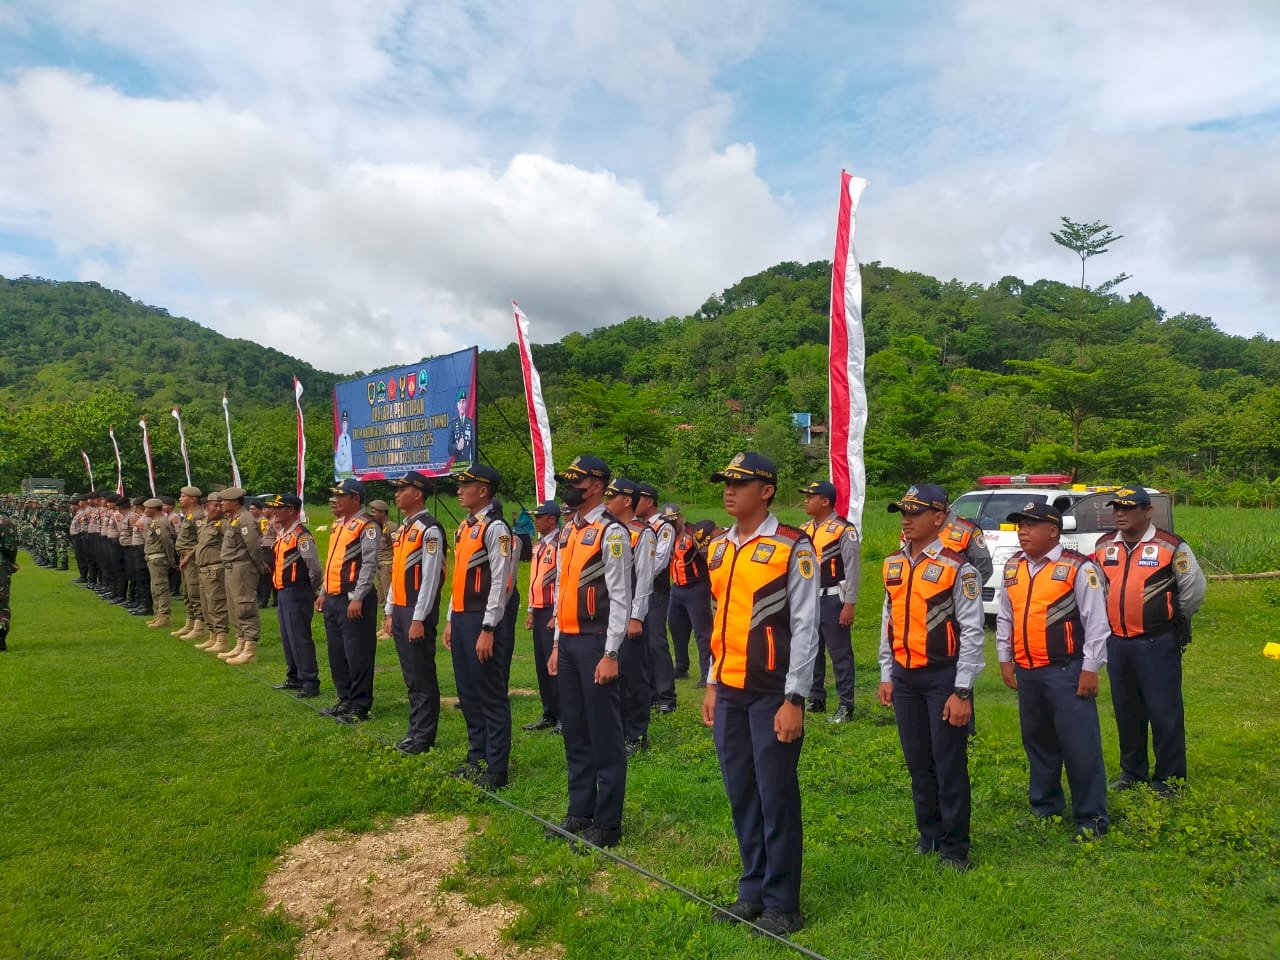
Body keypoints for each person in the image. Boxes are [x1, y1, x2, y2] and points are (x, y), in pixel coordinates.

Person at [701, 452, 818, 937]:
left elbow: (807, 627)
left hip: (772, 693)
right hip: (729, 689)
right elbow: (718, 621)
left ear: (766, 490)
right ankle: (752, 890)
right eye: (726, 483)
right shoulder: (719, 547)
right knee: (742, 792)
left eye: (740, 483)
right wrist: (711, 682)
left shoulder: (794, 546)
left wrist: (795, 698)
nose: (729, 490)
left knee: (776, 797)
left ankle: (783, 902)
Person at [878, 483, 985, 871]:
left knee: (949, 762)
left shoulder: (959, 567)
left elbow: (973, 631)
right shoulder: (893, 563)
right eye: (902, 512)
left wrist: (963, 689)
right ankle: (930, 835)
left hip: (944, 677)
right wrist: (887, 672)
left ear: (939, 518)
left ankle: (956, 847)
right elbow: (888, 620)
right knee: (918, 762)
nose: (906, 519)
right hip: (906, 679)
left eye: (915, 512)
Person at [997, 501, 1109, 838]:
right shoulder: (1014, 567)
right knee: (1038, 742)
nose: (1023, 531)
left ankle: (1091, 818)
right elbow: (1006, 615)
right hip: (1029, 671)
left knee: (1080, 746)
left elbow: (1097, 623)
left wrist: (1091, 668)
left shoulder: (1078, 568)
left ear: (1053, 531)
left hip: (1067, 671)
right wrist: (1005, 656)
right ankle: (1045, 807)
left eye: (1030, 525)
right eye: (1020, 525)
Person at [1093, 485, 1206, 796]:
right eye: (1116, 508)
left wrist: (1171, 619)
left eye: (1128, 508)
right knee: (1127, 711)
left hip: (1157, 643)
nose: (1120, 513)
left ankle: (1170, 780)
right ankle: (1132, 773)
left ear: (1147, 511)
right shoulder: (1104, 546)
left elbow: (1193, 591)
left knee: (1164, 712)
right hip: (1118, 643)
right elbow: (1097, 587)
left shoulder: (1171, 546)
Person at [546, 455, 633, 848]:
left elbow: (620, 597)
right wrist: (557, 642)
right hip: (569, 642)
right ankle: (580, 811)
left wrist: (612, 652)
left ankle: (608, 823)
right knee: (576, 730)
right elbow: (563, 590)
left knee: (604, 734)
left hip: (597, 641)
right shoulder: (569, 530)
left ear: (596, 486)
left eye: (576, 481)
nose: (569, 486)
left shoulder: (610, 533)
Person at [443, 465, 517, 788]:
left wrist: (488, 627)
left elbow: (500, 582)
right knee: (468, 692)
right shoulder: (464, 527)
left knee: (490, 693)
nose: (460, 489)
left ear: (484, 490)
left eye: (466, 484)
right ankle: (477, 756)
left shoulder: (496, 528)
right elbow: (459, 577)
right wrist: (450, 618)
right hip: (462, 616)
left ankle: (497, 768)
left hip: (482, 619)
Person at [381, 471, 447, 755]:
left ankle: (423, 736)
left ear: (418, 493)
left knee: (421, 674)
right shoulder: (405, 529)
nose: (396, 494)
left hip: (417, 610)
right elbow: (398, 574)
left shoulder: (429, 529)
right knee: (410, 675)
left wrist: (419, 618)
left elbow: (431, 578)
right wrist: (389, 609)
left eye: (401, 489)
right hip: (402, 608)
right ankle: (414, 730)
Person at [318, 479, 381, 722]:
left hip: (353, 598)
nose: (336, 500)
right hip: (333, 597)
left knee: (358, 653)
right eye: (335, 495)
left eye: (342, 495)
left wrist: (359, 596)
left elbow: (368, 563)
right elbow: (332, 561)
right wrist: (323, 591)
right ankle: (345, 698)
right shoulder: (338, 525)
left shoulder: (367, 525)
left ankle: (360, 704)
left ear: (356, 498)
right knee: (338, 653)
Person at [799, 480, 861, 723]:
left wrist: (850, 603)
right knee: (811, 651)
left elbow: (853, 569)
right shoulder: (804, 528)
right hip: (809, 599)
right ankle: (816, 698)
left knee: (840, 654)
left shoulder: (843, 530)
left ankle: (846, 705)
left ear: (825, 501)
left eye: (810, 496)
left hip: (834, 598)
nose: (806, 500)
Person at [604, 478, 656, 755]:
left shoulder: (642, 533)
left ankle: (636, 735)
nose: (606, 501)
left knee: (633, 677)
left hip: (630, 617)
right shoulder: (608, 530)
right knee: (615, 677)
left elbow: (645, 579)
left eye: (611, 496)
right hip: (611, 615)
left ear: (626, 500)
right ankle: (617, 730)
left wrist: (636, 617)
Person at [266, 494, 323, 699]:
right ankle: (294, 676)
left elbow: (315, 569)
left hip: (297, 591)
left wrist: (310, 589)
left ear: (291, 511)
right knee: (288, 637)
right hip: (283, 591)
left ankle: (309, 681)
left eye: (278, 508)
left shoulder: (302, 535)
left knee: (299, 637)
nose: (274, 511)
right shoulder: (283, 533)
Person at [636, 482, 678, 715]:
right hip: (639, 591)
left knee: (656, 642)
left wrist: (638, 577)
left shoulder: (663, 527)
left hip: (655, 590)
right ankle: (650, 693)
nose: (634, 503)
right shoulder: (638, 526)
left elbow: (659, 561)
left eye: (638, 499)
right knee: (641, 643)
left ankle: (666, 697)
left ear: (649, 501)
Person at [523, 500, 562, 733]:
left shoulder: (560, 543)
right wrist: (530, 609)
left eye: (539, 516)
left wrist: (556, 614)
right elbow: (533, 579)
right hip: (538, 608)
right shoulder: (538, 545)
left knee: (554, 664)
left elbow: (561, 581)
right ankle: (548, 711)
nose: (535, 520)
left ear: (552, 519)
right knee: (540, 664)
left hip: (551, 609)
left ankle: (563, 715)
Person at [217, 487, 266, 665]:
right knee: (234, 607)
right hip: (232, 568)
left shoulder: (245, 519)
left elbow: (253, 546)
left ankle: (250, 648)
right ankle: (241, 643)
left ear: (235, 501)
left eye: (224, 501)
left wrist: (259, 566)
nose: (221, 503)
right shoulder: (234, 519)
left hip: (242, 568)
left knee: (244, 606)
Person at [667, 509, 714, 687]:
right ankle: (681, 667)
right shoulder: (667, 535)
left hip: (697, 588)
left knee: (702, 633)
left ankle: (706, 673)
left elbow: (708, 554)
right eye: (668, 522)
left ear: (680, 517)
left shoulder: (694, 533)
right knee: (676, 628)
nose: (671, 524)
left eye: (674, 521)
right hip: (677, 588)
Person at [194, 494, 232, 653]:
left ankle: (221, 638)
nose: (218, 508)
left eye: (220, 505)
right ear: (206, 506)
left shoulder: (223, 524)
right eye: (214, 505)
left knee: (217, 604)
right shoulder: (206, 524)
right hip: (203, 569)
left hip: (215, 569)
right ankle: (212, 635)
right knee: (206, 604)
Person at [171, 487, 206, 642]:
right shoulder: (189, 514)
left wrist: (188, 557)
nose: (180, 498)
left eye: (183, 496)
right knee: (186, 591)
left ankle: (199, 626)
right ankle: (190, 622)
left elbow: (202, 540)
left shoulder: (198, 515)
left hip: (191, 559)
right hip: (184, 557)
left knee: (194, 591)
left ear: (193, 498)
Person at [142, 498, 176, 628]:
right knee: (155, 588)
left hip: (159, 558)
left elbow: (167, 541)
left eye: (147, 508)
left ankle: (164, 616)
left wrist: (170, 558)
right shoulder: (155, 522)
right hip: (153, 558)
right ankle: (159, 615)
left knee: (161, 587)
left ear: (154, 509)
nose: (145, 510)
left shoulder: (161, 522)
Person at [368, 498, 394, 637]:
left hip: (388, 565)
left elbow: (397, 547)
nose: (372, 514)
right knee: (382, 598)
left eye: (375, 511)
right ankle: (384, 626)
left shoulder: (391, 527)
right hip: (379, 566)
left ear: (383, 512)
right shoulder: (377, 527)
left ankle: (390, 628)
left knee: (389, 596)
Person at [0, 509, 17, 651]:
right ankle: (1, 637)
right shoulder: (7, 523)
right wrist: (11, 562)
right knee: (2, 603)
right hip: (2, 565)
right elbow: (11, 548)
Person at [450, 388, 474, 463]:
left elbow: (473, 446)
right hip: (457, 467)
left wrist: (473, 464)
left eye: (463, 402)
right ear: (457, 405)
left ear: (466, 404)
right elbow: (449, 449)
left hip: (468, 466)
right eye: (460, 402)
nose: (462, 405)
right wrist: (457, 447)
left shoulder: (470, 423)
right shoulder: (453, 424)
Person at [334, 410, 354, 475]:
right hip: (343, 469)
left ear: (347, 425)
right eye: (343, 423)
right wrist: (344, 458)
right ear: (341, 425)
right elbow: (338, 456)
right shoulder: (340, 438)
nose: (345, 426)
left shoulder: (348, 438)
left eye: (346, 423)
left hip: (349, 469)